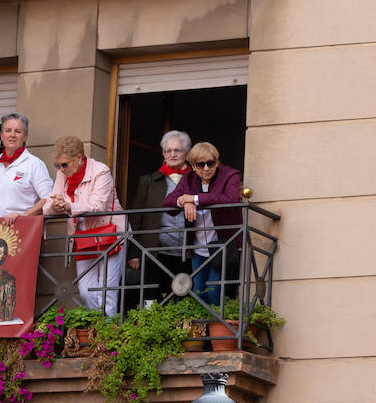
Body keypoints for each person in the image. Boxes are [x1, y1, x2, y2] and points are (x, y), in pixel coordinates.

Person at [43, 136, 123, 315]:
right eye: (58, 165)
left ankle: (106, 336)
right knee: (86, 291)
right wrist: (55, 206)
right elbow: (48, 206)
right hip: (83, 238)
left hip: (110, 235)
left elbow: (97, 205)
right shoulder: (62, 175)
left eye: (65, 165)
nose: (61, 170)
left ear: (79, 158)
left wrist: (68, 206)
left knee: (107, 290)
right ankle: (97, 327)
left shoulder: (101, 171)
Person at [164, 141, 244, 304]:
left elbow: (229, 199)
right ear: (193, 166)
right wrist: (183, 202)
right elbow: (167, 203)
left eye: (210, 163)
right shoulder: (189, 178)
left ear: (217, 162)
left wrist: (194, 198)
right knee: (198, 293)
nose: (206, 168)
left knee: (215, 291)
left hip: (223, 245)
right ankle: (202, 329)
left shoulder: (230, 175)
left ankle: (219, 326)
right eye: (200, 164)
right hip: (198, 248)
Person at [129, 130, 193, 297]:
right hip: (156, 252)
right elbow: (136, 219)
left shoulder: (197, 180)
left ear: (186, 154)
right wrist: (134, 253)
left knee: (185, 298)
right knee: (153, 297)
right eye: (168, 151)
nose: (172, 154)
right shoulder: (149, 181)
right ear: (163, 153)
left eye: (177, 150)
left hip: (189, 252)